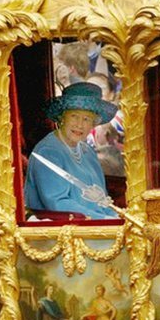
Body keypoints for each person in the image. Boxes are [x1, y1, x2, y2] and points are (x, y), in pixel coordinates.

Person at [25, 81, 118, 219]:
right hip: (62, 232)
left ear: (93, 124)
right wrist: (103, 219)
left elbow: (102, 201)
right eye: (74, 116)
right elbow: (57, 204)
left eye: (86, 119)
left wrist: (116, 216)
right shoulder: (48, 151)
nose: (79, 125)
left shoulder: (88, 152)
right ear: (62, 117)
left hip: (95, 227)